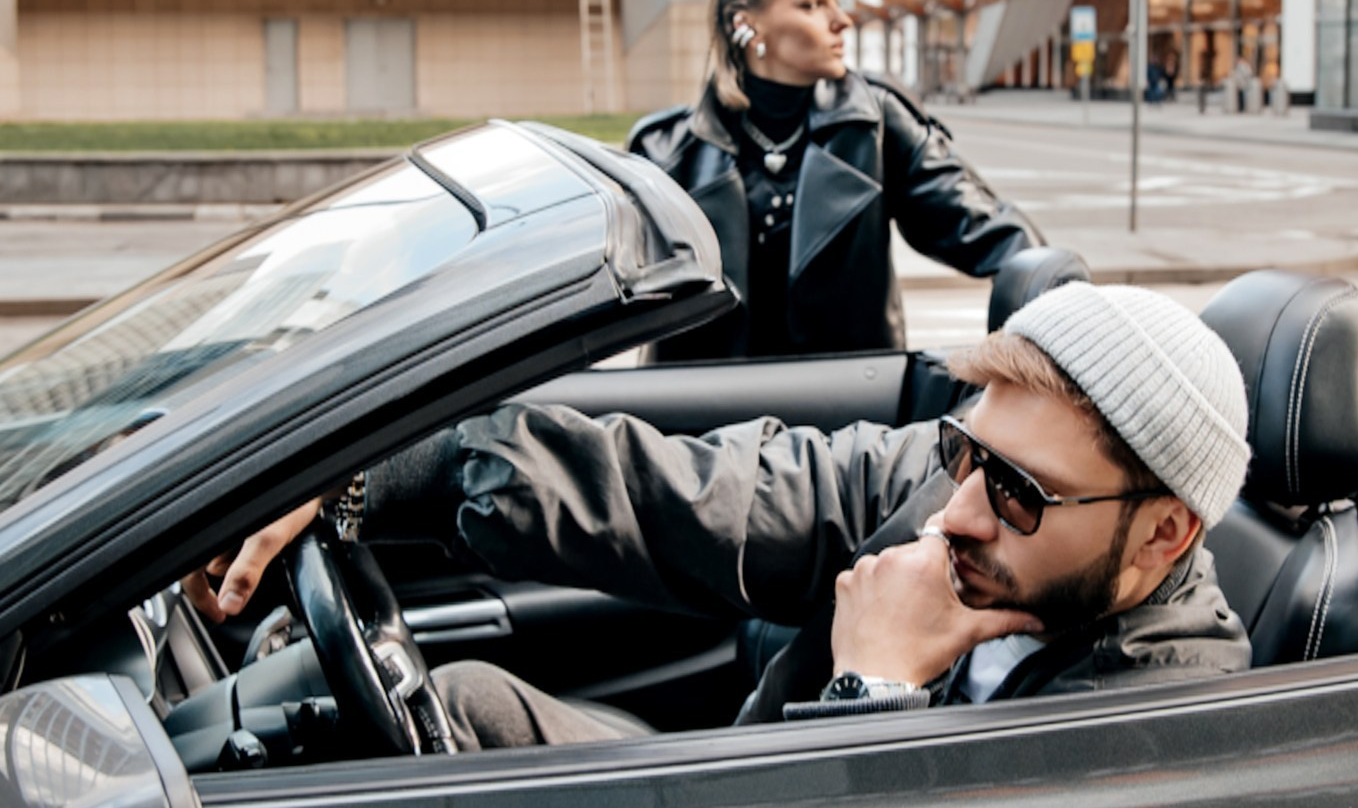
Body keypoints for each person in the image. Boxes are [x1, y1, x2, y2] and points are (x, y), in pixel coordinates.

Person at [197, 283, 1253, 743]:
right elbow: (684, 494)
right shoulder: (938, 493)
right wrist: (370, 477)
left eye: (1021, 491)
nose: (962, 509)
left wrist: (874, 690)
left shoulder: (1162, 721)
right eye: (966, 451)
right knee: (468, 704)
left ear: (1164, 533)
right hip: (740, 800)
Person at [625, 0, 1043, 358]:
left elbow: (990, 231)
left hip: (848, 394)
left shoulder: (876, 124)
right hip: (701, 397)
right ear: (747, 25)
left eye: (835, 2)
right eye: (812, 5)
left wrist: (1050, 288)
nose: (842, 21)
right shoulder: (664, 149)